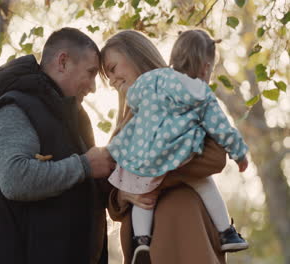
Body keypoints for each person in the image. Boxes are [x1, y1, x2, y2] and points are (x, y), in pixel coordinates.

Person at [0, 27, 116, 264]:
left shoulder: (78, 118)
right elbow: (15, 179)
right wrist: (85, 166)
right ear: (63, 62)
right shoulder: (16, 107)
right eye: (90, 73)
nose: (93, 87)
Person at [105, 29, 249, 262]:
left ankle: (226, 233)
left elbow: (215, 158)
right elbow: (113, 204)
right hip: (145, 246)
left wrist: (149, 181)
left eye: (112, 68)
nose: (111, 80)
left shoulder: (186, 99)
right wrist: (124, 194)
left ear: (135, 56)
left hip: (187, 232)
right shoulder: (123, 129)